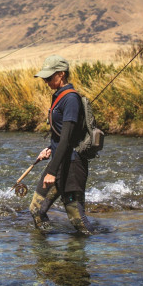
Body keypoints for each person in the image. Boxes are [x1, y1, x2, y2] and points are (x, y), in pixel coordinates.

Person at [29, 54, 93, 235]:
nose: (46, 81)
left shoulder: (70, 99)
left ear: (62, 74)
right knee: (36, 209)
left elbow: (67, 138)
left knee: (77, 220)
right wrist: (50, 148)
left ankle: (92, 250)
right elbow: (60, 136)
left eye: (49, 77)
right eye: (44, 78)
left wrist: (51, 171)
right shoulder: (59, 96)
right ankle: (46, 251)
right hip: (57, 160)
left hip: (72, 164)